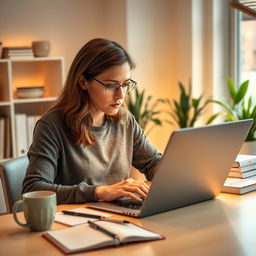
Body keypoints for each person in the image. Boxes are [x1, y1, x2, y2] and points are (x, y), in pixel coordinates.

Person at [22, 38, 162, 204]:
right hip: (74, 221)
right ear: (83, 82)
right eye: (110, 85)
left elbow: (154, 162)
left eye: (125, 84)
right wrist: (100, 192)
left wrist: (170, 178)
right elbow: (34, 188)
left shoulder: (125, 120)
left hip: (117, 216)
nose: (120, 95)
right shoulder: (52, 125)